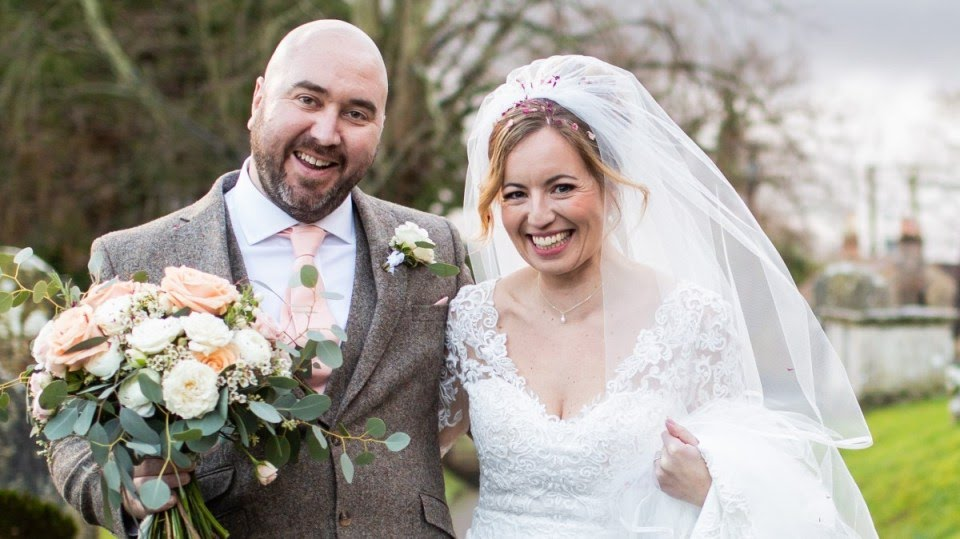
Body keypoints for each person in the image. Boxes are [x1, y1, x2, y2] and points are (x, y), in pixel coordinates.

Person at [48, 20, 469, 537]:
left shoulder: (435, 248)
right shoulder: (135, 256)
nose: (326, 132)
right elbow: (74, 442)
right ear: (258, 100)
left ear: (381, 126)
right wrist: (131, 492)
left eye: (357, 113)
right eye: (308, 100)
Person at [439, 55, 877, 537]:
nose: (538, 216)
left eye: (561, 187)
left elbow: (760, 476)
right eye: (515, 194)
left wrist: (712, 487)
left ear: (611, 186)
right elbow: (409, 453)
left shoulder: (691, 318)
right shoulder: (471, 318)